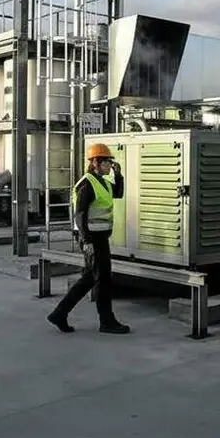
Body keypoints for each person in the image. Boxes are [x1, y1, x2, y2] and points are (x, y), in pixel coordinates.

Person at [46, 142, 131, 335]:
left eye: (110, 162)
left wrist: (118, 174)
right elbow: (80, 214)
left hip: (100, 237)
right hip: (93, 238)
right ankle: (106, 321)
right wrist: (87, 241)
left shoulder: (103, 182)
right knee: (102, 278)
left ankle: (60, 313)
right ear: (95, 163)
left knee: (91, 277)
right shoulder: (87, 184)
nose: (109, 165)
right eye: (106, 162)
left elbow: (118, 193)